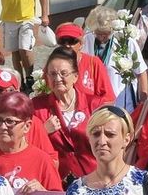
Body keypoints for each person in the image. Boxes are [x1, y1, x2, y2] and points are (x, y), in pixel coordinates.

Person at [32, 46, 104, 184]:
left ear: (75, 76)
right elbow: (26, 145)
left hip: (95, 177)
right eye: (52, 74)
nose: (57, 79)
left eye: (63, 73)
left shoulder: (95, 104)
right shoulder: (36, 107)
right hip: (57, 181)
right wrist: (42, 130)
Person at [0, 90, 63, 193]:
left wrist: (43, 193)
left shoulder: (42, 161)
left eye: (10, 121)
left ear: (27, 126)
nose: (2, 126)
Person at [83, 6, 148, 112]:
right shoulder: (87, 39)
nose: (101, 37)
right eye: (98, 33)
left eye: (106, 34)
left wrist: (143, 100)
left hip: (120, 99)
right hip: (93, 100)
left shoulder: (126, 41)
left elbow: (141, 72)